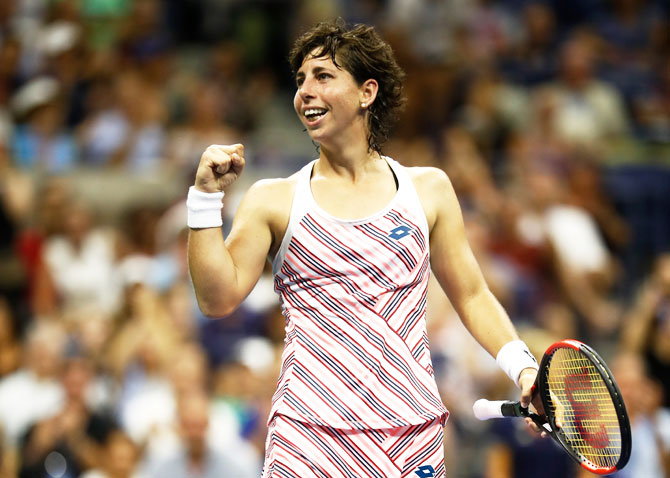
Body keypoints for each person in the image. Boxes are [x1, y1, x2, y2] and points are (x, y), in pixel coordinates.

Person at [187, 19, 541, 477]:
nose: (305, 92)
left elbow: (472, 295)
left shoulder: (429, 190)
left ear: (366, 92)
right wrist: (204, 199)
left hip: (410, 437)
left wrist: (523, 368)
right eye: (300, 81)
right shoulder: (272, 199)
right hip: (308, 438)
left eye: (323, 76)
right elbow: (215, 299)